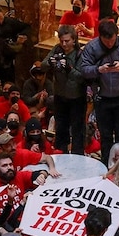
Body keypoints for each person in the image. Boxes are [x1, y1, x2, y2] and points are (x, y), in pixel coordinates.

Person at [79, 19, 119, 160]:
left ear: (116, 35)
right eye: (106, 41)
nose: (109, 44)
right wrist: (99, 70)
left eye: (112, 40)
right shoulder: (92, 47)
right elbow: (84, 69)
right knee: (105, 135)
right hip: (102, 97)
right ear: (100, 36)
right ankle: (106, 164)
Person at [46, 24, 89, 155]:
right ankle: (60, 153)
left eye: (67, 41)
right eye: (62, 41)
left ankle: (77, 155)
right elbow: (42, 64)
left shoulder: (80, 54)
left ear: (74, 40)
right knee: (61, 128)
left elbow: (83, 78)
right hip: (60, 96)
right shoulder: (56, 49)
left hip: (77, 98)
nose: (64, 44)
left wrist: (69, 69)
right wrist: (51, 62)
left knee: (77, 130)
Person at [0, 4, 32, 100]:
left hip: (7, 62)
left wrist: (22, 36)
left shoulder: (10, 22)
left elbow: (27, 27)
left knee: (9, 88)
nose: (0, 21)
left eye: (1, 18)